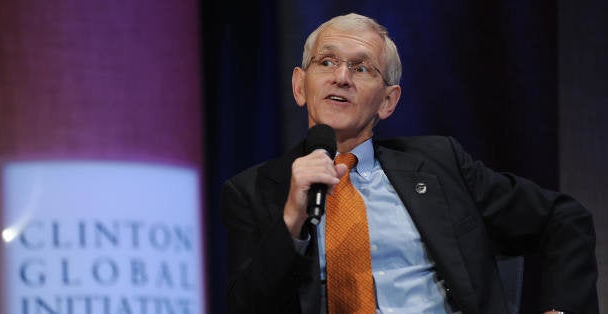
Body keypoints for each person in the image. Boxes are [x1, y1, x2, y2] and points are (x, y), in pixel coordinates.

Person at [220, 13, 598, 314]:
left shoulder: (440, 165)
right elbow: (246, 306)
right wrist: (291, 224)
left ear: (388, 101)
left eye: (362, 68)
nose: (341, 78)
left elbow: (563, 219)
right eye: (327, 62)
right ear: (300, 86)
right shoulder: (252, 191)